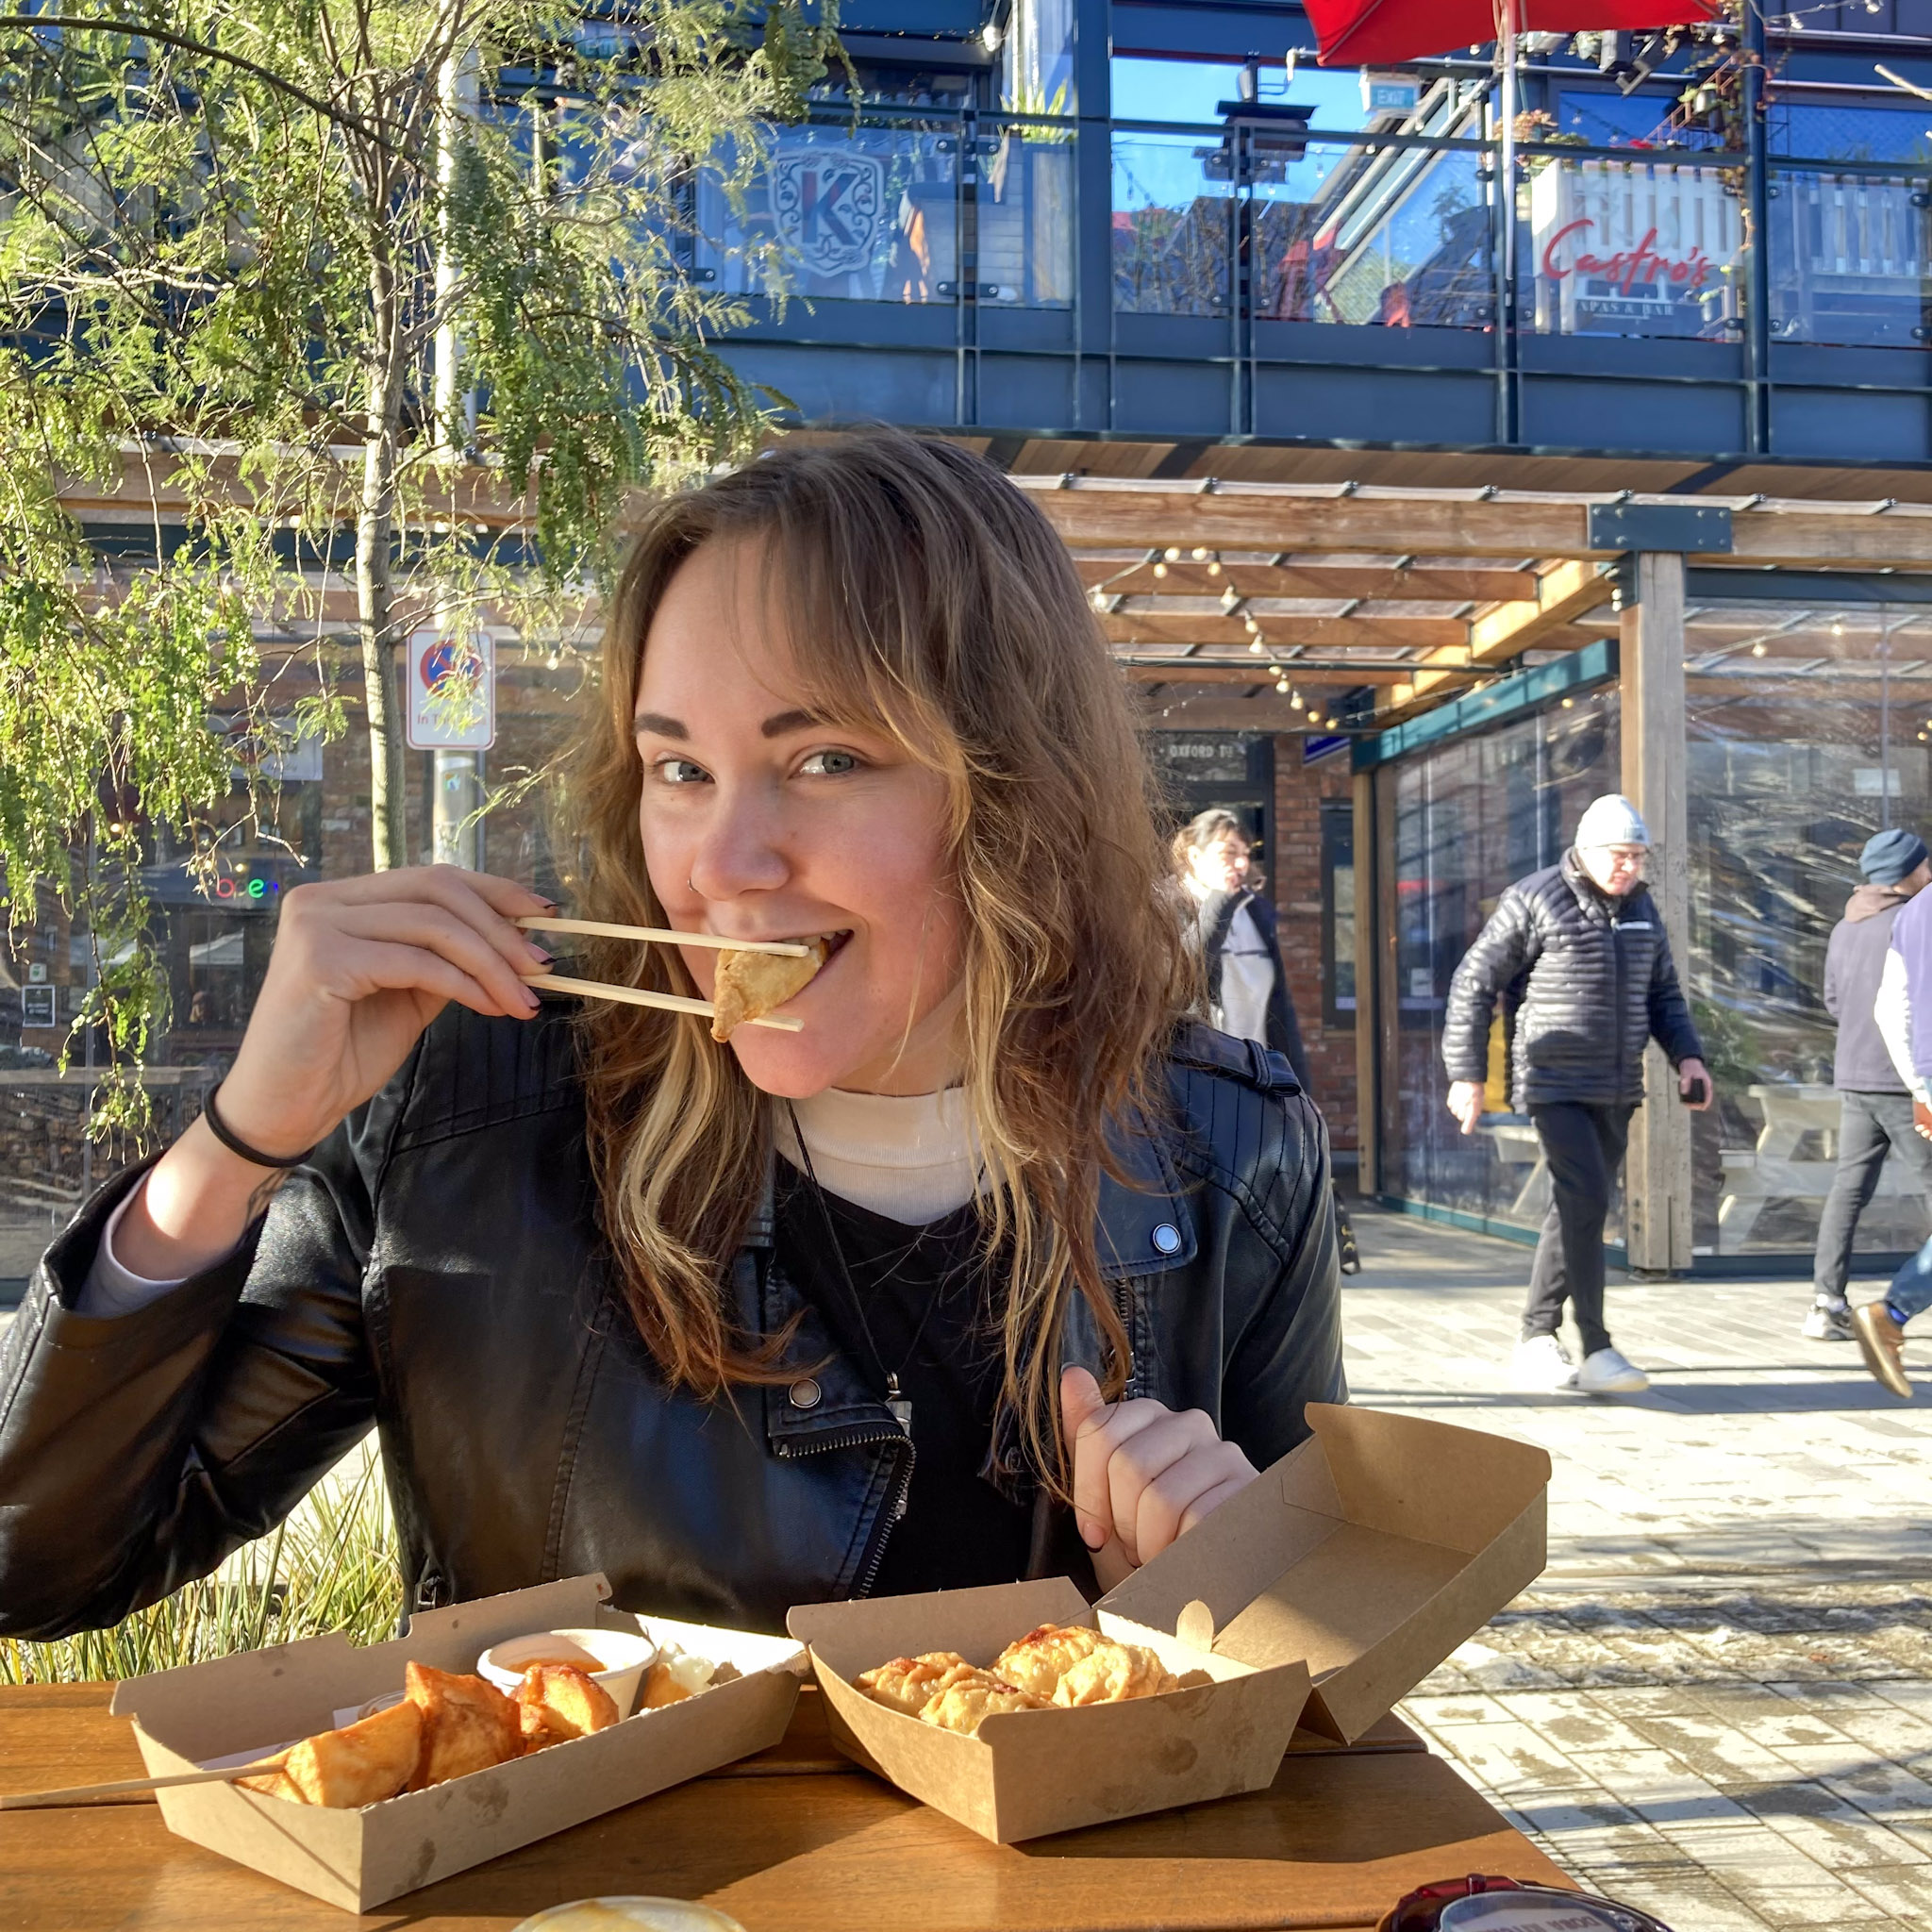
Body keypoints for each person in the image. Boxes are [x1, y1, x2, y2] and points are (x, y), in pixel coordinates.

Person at [0, 431, 1344, 1640]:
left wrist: (1215, 1594)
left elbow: (1325, 1693)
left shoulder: (1229, 1151)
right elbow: (41, 1569)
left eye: (825, 760)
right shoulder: (467, 1119)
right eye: (681, 770)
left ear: (1015, 791)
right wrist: (238, 1143)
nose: (723, 864)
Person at [1441, 795, 1711, 1397]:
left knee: (1576, 1208)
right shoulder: (1535, 898)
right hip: (1552, 1080)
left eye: (1638, 857)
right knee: (1585, 1198)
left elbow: (1663, 993)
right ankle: (1596, 1345)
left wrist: (1689, 1057)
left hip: (1616, 1084)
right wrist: (1466, 1074)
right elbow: (1473, 981)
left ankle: (1536, 1337)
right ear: (1586, 852)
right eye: (1619, 856)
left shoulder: (1640, 907)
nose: (1629, 869)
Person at [1174, 809, 1359, 1274]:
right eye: (1225, 853)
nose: (1238, 863)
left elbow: (1279, 1004)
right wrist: (1218, 901)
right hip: (1197, 1076)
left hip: (1253, 1072)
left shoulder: (1253, 911)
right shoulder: (1167, 904)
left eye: (1243, 854)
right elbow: (1184, 977)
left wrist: (1295, 1078)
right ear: (1194, 856)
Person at [1807, 827, 1932, 1342]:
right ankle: (1901, 1305)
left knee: (1847, 1191)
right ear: (1909, 872)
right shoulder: (1913, 920)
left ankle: (1825, 1301)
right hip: (1907, 1082)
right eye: (1925, 865)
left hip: (1856, 1073)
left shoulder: (1844, 926)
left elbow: (1833, 1001)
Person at [1858, 871, 1932, 1399]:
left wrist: (1922, 1085)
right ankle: (1893, 1310)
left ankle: (1894, 1312)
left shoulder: (1916, 910)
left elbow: (1890, 1008)